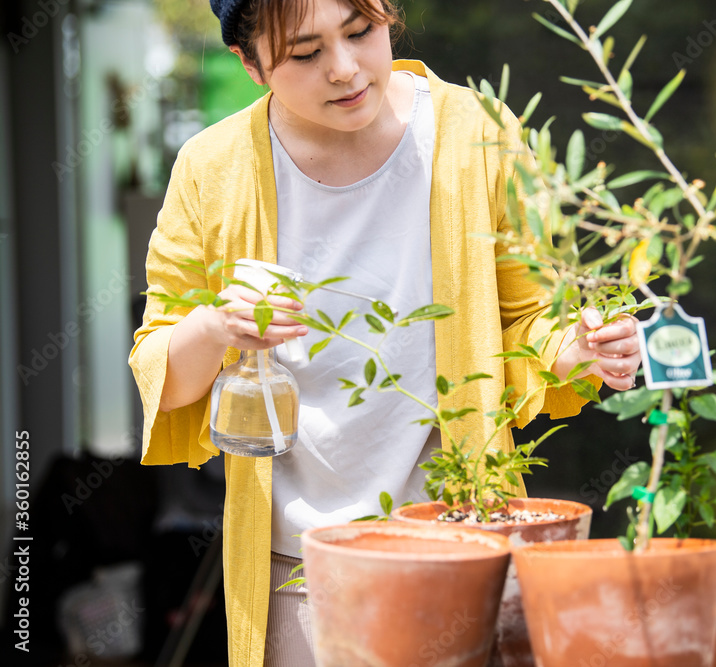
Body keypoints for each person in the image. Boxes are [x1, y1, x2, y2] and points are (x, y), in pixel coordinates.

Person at [129, 0, 642, 665]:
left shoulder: (476, 133)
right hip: (300, 573)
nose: (345, 70)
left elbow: (526, 323)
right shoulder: (213, 168)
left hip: (462, 551)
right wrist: (215, 324)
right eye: (306, 54)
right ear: (250, 63)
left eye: (360, 32)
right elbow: (161, 372)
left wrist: (577, 348)